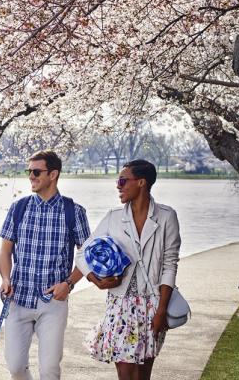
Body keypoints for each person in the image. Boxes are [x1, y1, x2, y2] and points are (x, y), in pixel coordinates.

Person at [76, 159, 180, 380]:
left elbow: (170, 264)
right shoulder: (114, 217)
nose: (118, 186)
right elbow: (82, 254)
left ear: (141, 182)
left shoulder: (166, 216)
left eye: (123, 180)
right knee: (124, 371)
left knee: (143, 373)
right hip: (119, 303)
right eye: (118, 181)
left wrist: (161, 311)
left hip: (153, 303)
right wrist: (97, 281)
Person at [0, 150, 91, 380]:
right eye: (29, 171)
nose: (31, 176)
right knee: (16, 367)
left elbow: (87, 256)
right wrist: (6, 279)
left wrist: (68, 284)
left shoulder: (74, 212)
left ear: (53, 174)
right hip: (18, 299)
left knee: (49, 369)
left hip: (53, 302)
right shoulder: (18, 208)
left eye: (36, 172)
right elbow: (5, 250)